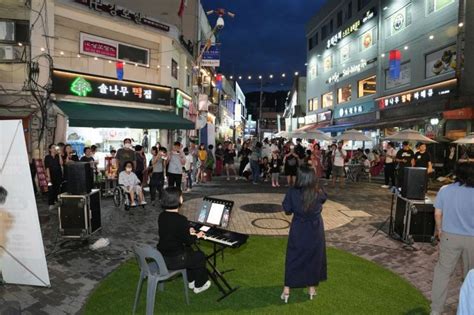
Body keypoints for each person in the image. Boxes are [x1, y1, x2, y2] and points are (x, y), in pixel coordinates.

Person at [430, 162, 474, 315]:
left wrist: (440, 230)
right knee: (471, 277)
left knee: (442, 273)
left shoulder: (445, 190)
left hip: (449, 236)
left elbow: (437, 214)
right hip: (472, 239)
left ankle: (436, 310)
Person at [281, 165, 328, 303]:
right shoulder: (318, 191)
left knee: (293, 257)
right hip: (315, 228)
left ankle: (287, 290)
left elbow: (287, 209)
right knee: (314, 257)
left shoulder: (292, 191)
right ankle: (312, 288)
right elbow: (324, 198)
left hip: (299, 228)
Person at [157, 187, 211, 294]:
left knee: (189, 251)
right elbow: (189, 241)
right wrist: (197, 235)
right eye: (181, 196)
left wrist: (187, 229)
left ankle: (190, 280)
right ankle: (200, 285)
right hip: (175, 260)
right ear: (178, 200)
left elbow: (172, 232)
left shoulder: (162, 216)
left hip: (163, 257)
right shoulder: (181, 220)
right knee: (200, 256)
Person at [44, 144, 63, 210]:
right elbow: (47, 167)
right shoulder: (47, 157)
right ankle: (51, 203)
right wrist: (48, 177)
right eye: (53, 147)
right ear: (50, 149)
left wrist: (60, 154)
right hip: (51, 175)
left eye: (55, 147)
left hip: (58, 174)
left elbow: (61, 163)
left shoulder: (58, 156)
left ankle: (56, 201)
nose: (54, 149)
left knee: (57, 188)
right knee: (51, 189)